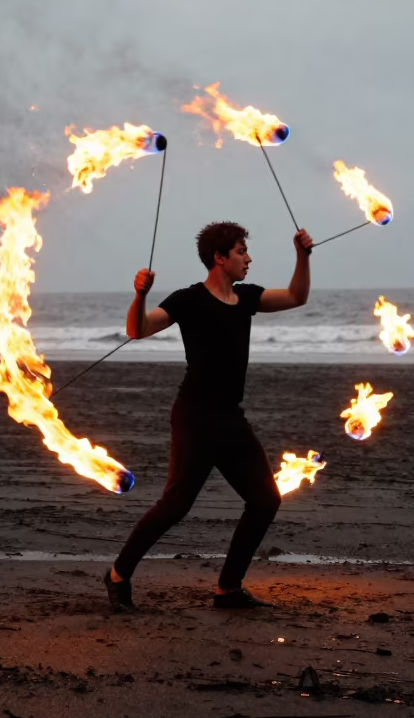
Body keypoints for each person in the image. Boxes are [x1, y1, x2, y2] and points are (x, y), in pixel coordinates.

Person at [104, 221, 313, 610]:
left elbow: (297, 296)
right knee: (175, 505)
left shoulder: (247, 297)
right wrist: (140, 296)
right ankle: (118, 574)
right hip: (195, 418)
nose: (248, 258)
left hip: (231, 419)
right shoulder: (189, 300)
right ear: (219, 258)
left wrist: (302, 255)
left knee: (266, 499)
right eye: (240, 252)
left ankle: (228, 589)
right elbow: (137, 330)